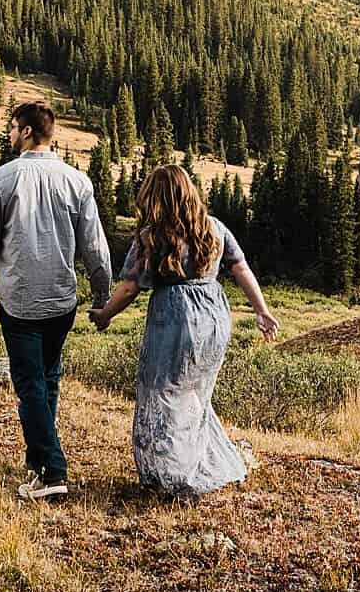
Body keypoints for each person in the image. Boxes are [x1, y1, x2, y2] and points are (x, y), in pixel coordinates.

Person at [89, 164, 279, 499]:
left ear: (154, 198)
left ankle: (170, 474)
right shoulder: (214, 228)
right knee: (196, 395)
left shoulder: (152, 236)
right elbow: (241, 268)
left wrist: (105, 314)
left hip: (175, 318)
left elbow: (131, 288)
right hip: (215, 316)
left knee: (162, 393)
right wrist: (262, 311)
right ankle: (202, 463)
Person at [0, 101, 113, 500]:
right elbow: (95, 247)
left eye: (13, 127)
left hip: (20, 300)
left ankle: (52, 472)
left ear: (27, 132)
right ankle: (39, 461)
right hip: (62, 301)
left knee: (30, 383)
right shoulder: (77, 182)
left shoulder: (3, 179)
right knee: (47, 379)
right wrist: (103, 294)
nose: (9, 133)